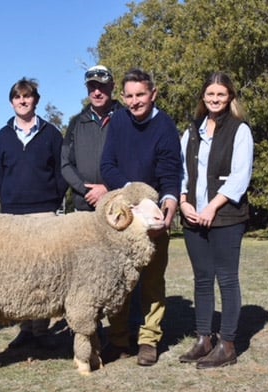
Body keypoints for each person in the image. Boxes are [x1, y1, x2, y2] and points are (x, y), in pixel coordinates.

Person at [100, 68, 182, 366]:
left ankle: (149, 340)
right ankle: (118, 339)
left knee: (151, 281)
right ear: (123, 97)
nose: (135, 102)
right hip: (123, 213)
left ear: (153, 94)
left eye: (141, 95)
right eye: (130, 96)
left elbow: (170, 173)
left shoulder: (165, 127)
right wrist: (130, 195)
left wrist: (168, 204)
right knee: (119, 281)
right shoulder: (119, 120)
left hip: (153, 215)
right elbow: (107, 164)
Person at [177, 72, 254, 369]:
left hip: (226, 217)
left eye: (221, 95)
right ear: (203, 97)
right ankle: (203, 339)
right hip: (193, 216)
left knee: (227, 278)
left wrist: (212, 206)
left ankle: (228, 344)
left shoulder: (240, 130)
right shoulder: (192, 130)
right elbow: (182, 170)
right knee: (202, 279)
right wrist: (183, 202)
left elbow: (240, 176)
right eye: (210, 94)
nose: (215, 99)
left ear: (230, 97)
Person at [0, 77, 68, 349]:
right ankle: (25, 328)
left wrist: (52, 199)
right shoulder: (2, 136)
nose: (22, 101)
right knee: (20, 273)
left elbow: (61, 172)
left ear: (36, 100)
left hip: (45, 213)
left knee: (45, 274)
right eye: (17, 97)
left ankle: (41, 329)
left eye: (27, 96)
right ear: (12, 101)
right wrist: (9, 201)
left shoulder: (51, 134)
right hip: (13, 216)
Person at [61, 65, 121, 212]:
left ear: (112, 86)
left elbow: (135, 162)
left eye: (102, 86)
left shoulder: (126, 119)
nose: (97, 92)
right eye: (92, 87)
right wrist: (87, 190)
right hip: (84, 207)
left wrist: (108, 187)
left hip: (119, 204)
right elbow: (65, 163)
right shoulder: (76, 123)